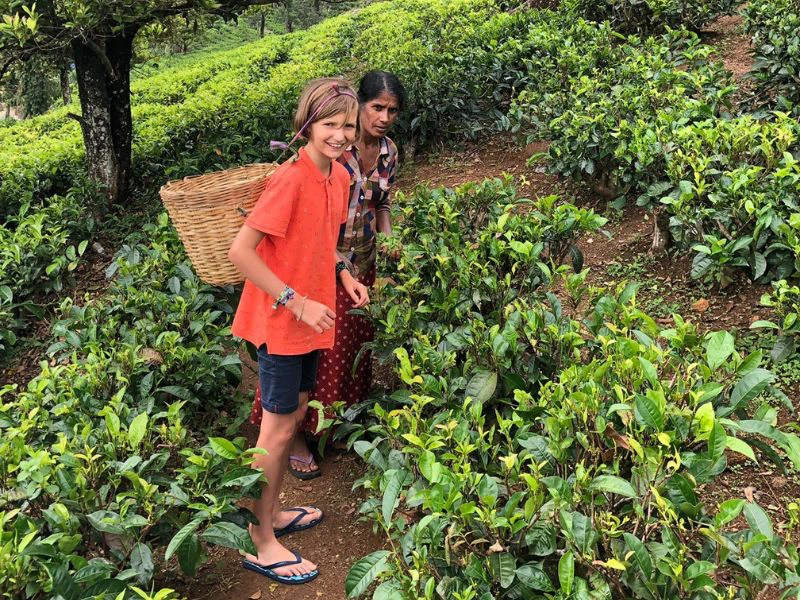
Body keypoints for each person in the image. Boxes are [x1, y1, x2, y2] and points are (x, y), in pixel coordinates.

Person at [228, 77, 369, 585]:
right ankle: (259, 539)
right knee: (276, 427)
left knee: (293, 418)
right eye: (330, 124)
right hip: (283, 321)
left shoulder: (339, 175)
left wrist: (345, 275)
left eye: (347, 125)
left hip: (312, 318)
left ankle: (274, 512)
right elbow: (240, 252)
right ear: (307, 125)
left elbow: (322, 243)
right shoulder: (289, 179)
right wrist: (296, 300)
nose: (340, 134)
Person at [288, 70, 406, 479]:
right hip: (327, 261)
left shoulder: (389, 152)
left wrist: (388, 239)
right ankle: (298, 433)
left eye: (392, 110)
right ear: (360, 106)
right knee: (322, 345)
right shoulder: (338, 147)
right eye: (377, 107)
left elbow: (382, 202)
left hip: (363, 259)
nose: (385, 117)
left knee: (355, 342)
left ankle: (336, 424)